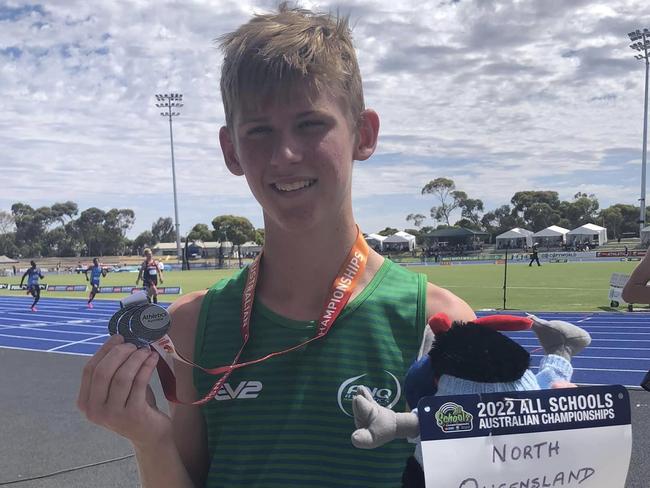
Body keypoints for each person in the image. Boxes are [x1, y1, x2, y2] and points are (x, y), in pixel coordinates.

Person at [77, 5, 564, 487]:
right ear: (231, 151)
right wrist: (149, 440)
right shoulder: (192, 325)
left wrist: (550, 451)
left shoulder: (436, 321)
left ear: (364, 133)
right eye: (259, 131)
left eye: (311, 124)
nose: (285, 154)